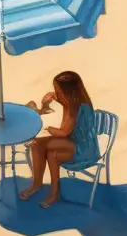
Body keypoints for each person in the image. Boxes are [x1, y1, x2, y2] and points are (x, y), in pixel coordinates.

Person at [21, 71, 101, 208]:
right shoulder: (70, 101)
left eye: (58, 90)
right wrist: (48, 100)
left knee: (48, 148)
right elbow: (64, 128)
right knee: (39, 145)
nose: (56, 92)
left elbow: (64, 132)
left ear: (68, 92)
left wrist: (48, 128)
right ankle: (38, 185)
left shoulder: (77, 106)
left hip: (84, 149)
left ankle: (52, 193)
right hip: (72, 142)